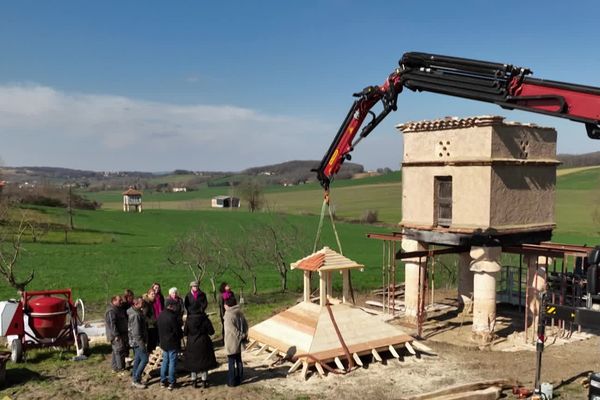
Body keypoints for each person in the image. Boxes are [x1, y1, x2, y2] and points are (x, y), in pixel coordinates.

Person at [184, 311, 218, 388]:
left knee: (193, 362)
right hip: (203, 342)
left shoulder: (188, 320)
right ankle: (204, 380)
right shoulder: (205, 319)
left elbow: (185, 332)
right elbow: (211, 332)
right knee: (204, 361)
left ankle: (194, 380)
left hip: (192, 343)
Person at [157, 302, 183, 390]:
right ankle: (172, 381)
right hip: (172, 342)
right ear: (170, 306)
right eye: (174, 306)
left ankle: (163, 380)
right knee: (172, 362)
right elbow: (177, 330)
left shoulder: (160, 315)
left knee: (165, 361)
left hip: (163, 342)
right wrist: (181, 335)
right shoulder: (172, 317)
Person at [223, 296, 248, 387]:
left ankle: (232, 381)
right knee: (239, 360)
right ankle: (240, 378)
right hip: (239, 341)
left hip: (232, 341)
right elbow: (246, 324)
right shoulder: (239, 312)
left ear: (228, 305)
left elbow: (232, 329)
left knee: (231, 361)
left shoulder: (228, 315)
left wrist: (241, 335)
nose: (224, 306)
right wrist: (244, 334)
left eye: (225, 304)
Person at [127, 297, 148, 389]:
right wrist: (142, 344)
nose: (143, 304)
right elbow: (136, 333)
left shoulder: (135, 312)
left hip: (134, 341)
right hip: (137, 342)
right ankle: (136, 379)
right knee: (145, 359)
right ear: (136, 304)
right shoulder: (135, 315)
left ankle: (134, 378)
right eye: (141, 303)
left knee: (138, 359)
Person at [105, 295, 128, 373]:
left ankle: (114, 368)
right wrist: (116, 335)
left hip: (120, 334)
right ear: (114, 301)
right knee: (119, 351)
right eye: (119, 300)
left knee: (116, 351)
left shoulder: (118, 309)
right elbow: (112, 324)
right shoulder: (111, 311)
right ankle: (120, 368)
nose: (121, 302)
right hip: (115, 335)